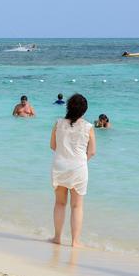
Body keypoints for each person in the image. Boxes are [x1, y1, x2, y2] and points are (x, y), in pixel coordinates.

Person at [49, 94, 95, 247]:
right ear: (84, 110)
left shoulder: (58, 123)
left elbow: (53, 146)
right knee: (77, 206)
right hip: (78, 168)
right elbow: (92, 152)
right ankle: (75, 241)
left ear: (68, 107)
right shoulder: (88, 127)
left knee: (60, 203)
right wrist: (81, 161)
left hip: (60, 165)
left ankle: (57, 237)